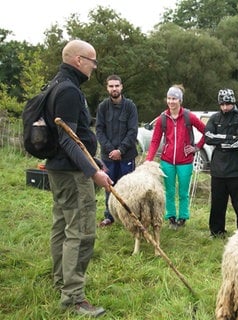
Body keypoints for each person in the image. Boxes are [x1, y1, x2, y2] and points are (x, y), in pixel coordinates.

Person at [45, 39, 113, 317]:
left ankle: (61, 280)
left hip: (59, 168)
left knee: (62, 224)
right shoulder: (70, 91)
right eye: (92, 61)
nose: (94, 67)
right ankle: (73, 297)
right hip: (73, 174)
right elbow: (68, 139)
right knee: (81, 231)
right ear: (78, 61)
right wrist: (93, 172)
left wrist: (94, 160)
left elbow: (73, 139)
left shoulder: (54, 85)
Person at [145, 84, 205, 229]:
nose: (171, 101)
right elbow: (155, 140)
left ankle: (182, 218)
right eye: (169, 98)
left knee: (183, 192)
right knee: (169, 191)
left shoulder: (188, 116)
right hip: (167, 161)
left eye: (174, 98)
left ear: (180, 100)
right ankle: (171, 217)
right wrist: (149, 159)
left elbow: (206, 131)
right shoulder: (162, 118)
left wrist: (197, 147)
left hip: (185, 161)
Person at [204, 88, 238, 238]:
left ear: (233, 102)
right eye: (222, 104)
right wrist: (229, 137)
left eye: (228, 104)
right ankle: (216, 232)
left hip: (237, 170)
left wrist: (222, 140)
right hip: (218, 170)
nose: (225, 107)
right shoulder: (214, 118)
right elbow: (208, 137)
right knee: (217, 203)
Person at [96, 75, 138, 227]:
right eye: (111, 86)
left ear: (121, 87)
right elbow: (99, 131)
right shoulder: (102, 107)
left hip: (126, 155)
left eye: (116, 86)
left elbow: (133, 131)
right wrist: (111, 150)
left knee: (127, 187)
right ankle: (110, 216)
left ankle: (128, 216)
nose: (114, 89)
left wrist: (120, 150)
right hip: (107, 157)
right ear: (107, 88)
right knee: (109, 186)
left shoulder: (130, 106)